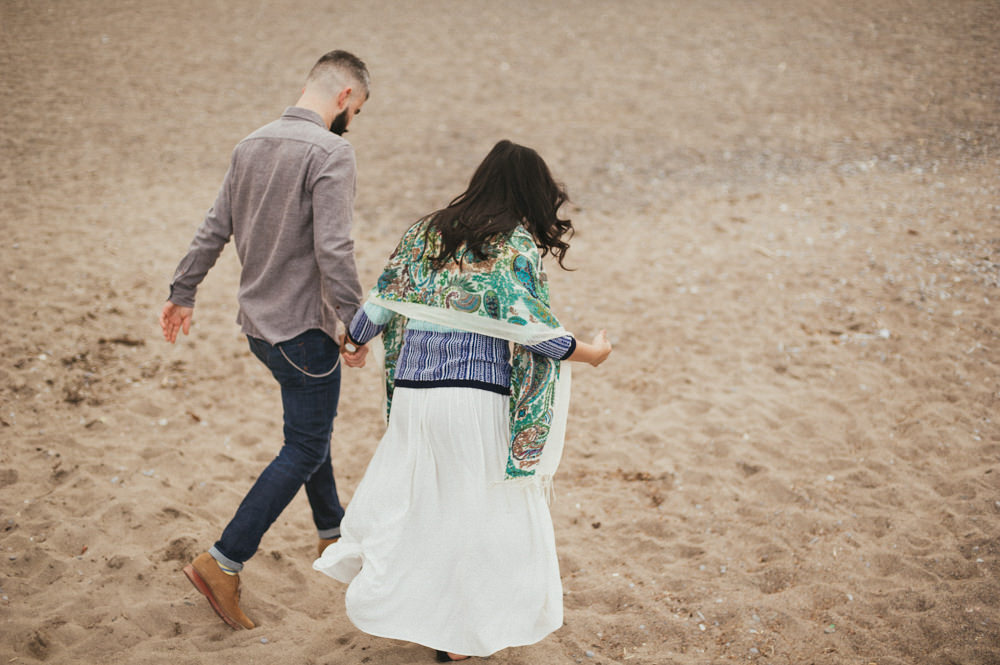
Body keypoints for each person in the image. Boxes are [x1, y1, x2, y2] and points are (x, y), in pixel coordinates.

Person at [316, 140, 612, 661]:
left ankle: (432, 622)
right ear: (528, 192)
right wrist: (593, 353)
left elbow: (382, 302)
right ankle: (458, 641)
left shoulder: (425, 231)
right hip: (476, 400)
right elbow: (537, 336)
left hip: (413, 399)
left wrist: (355, 341)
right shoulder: (514, 243)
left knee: (429, 510)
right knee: (480, 518)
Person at [158, 50, 371, 630]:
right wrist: (356, 321)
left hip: (259, 329)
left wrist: (183, 291)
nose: (351, 120)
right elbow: (334, 248)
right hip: (304, 332)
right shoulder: (333, 151)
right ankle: (222, 562)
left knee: (311, 430)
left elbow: (213, 226)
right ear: (345, 97)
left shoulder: (250, 144)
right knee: (304, 445)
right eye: (357, 109)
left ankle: (333, 536)